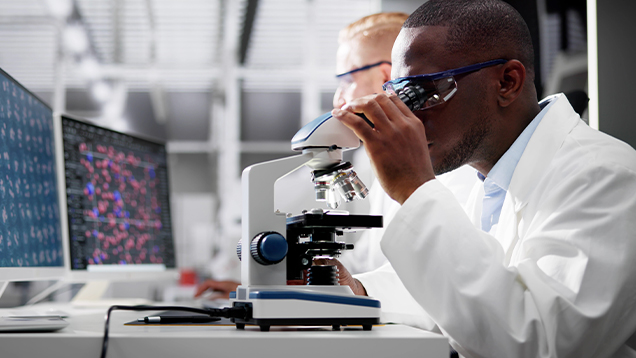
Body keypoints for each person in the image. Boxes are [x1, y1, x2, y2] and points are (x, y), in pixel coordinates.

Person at [331, 0, 636, 357]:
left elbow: (539, 341)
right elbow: (464, 295)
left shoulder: (605, 176)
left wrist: (414, 189)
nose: (411, 117)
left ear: (508, 81)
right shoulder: (476, 176)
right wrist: (359, 290)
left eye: (425, 91)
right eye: (400, 95)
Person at [195, 12, 411, 300]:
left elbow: (422, 288)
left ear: (385, 76)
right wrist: (272, 288)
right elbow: (363, 270)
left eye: (347, 80)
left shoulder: (438, 168)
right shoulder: (383, 162)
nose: (338, 99)